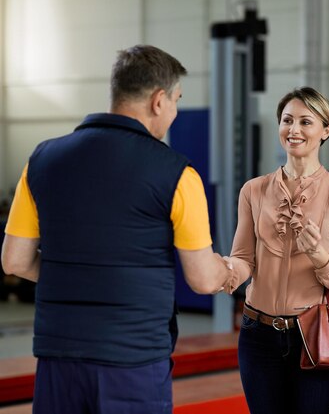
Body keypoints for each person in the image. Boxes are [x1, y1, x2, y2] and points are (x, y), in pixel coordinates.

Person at [1, 44, 231, 414]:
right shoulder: (176, 173)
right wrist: (232, 269)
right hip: (133, 360)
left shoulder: (42, 159)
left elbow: (14, 261)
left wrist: (73, 276)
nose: (173, 112)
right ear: (159, 100)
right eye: (176, 100)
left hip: (58, 355)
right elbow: (204, 280)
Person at [222, 87, 329, 414]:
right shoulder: (253, 190)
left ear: (326, 130)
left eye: (305, 122)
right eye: (287, 121)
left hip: (317, 335)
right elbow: (243, 258)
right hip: (258, 335)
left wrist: (319, 256)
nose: (293, 130)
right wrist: (224, 271)